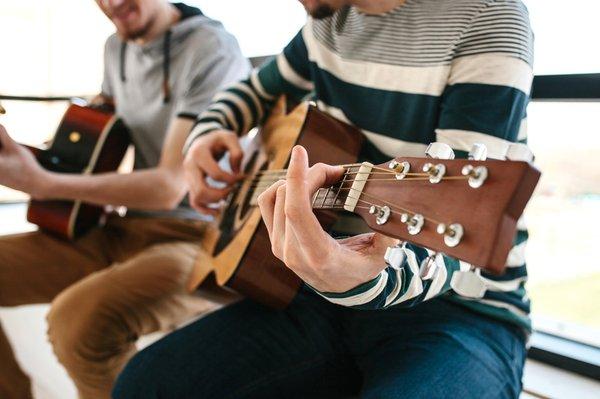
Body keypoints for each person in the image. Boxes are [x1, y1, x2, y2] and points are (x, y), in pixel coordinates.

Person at [114, 0, 534, 397]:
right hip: (321, 296)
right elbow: (252, 90)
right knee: (144, 385)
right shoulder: (326, 24)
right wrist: (207, 134)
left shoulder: (486, 18)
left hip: (462, 311)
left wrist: (355, 279)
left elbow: (460, 231)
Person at [0, 1, 250, 398]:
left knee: (76, 324)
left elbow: (171, 185)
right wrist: (20, 161)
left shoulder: (211, 48)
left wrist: (43, 184)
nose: (112, 3)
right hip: (125, 229)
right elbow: (94, 149)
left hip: (202, 238)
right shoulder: (116, 48)